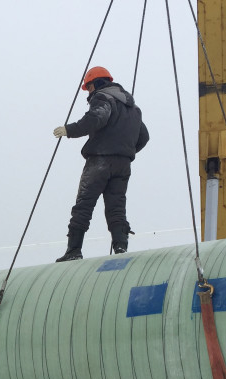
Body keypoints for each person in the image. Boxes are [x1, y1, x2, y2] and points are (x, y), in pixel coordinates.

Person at [52, 66, 150, 262]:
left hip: (100, 160)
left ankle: (73, 251)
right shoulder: (133, 108)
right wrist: (125, 151)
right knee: (116, 207)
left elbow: (96, 118)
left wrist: (69, 130)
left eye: (88, 87)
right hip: (123, 165)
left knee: (84, 204)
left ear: (96, 84)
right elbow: (144, 137)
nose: (88, 92)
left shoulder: (103, 98)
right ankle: (121, 247)